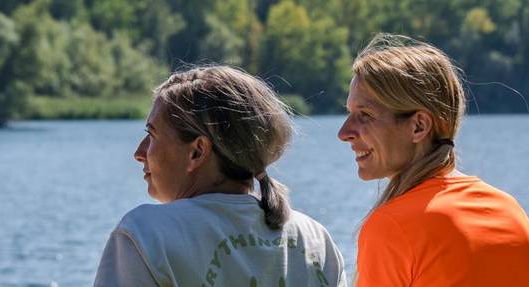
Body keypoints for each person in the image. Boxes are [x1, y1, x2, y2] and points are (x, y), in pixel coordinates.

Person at [96, 66, 345, 286]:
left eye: (152, 135)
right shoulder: (315, 238)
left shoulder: (145, 234)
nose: (139, 153)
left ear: (197, 151)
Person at [338, 33, 529, 286]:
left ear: (419, 126)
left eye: (365, 115)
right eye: (349, 113)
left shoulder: (391, 228)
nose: (344, 133)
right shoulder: (510, 212)